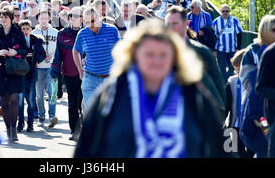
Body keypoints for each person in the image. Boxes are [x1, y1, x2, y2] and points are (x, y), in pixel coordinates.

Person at [74, 19, 227, 158]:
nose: (156, 60)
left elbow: (218, 148)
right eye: (149, 54)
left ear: (175, 57)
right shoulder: (113, 93)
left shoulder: (193, 94)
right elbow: (85, 148)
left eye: (163, 54)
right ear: (134, 55)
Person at [165, 6, 226, 117]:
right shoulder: (160, 53)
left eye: (175, 23)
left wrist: (220, 114)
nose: (171, 28)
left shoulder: (202, 52)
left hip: (196, 113)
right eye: (168, 24)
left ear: (186, 23)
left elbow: (217, 84)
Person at [239, 15, 275, 158]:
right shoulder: (252, 52)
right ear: (265, 31)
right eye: (273, 30)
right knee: (265, 143)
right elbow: (247, 82)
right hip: (259, 111)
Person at [0, 7, 28, 142]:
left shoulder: (17, 31)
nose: (3, 19)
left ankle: (14, 128)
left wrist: (15, 52)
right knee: (4, 102)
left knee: (14, 99)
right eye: (2, 17)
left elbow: (25, 50)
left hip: (14, 69)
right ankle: (8, 129)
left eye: (6, 17)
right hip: (0, 69)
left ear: (11, 18)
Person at [73, 7, 121, 112]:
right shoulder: (82, 33)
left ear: (99, 17)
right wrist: (80, 70)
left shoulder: (112, 30)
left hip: (109, 78)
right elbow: (76, 51)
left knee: (109, 111)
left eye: (93, 21)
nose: (91, 25)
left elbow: (121, 50)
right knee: (91, 111)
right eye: (87, 22)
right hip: (90, 77)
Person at [51, 7, 84, 141]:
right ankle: (74, 131)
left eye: (77, 16)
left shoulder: (87, 33)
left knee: (84, 104)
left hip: (87, 75)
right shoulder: (62, 34)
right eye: (72, 15)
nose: (74, 18)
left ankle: (86, 131)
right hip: (70, 74)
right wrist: (55, 70)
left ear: (82, 18)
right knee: (72, 104)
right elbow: (58, 55)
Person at [224, 49, 254, 158]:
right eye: (236, 71)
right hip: (236, 125)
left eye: (240, 70)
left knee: (252, 151)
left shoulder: (256, 81)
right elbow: (226, 104)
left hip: (251, 125)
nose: (238, 73)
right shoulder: (232, 82)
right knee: (237, 152)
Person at [31, 10, 59, 127]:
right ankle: (41, 116)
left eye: (46, 18)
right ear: (38, 19)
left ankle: (52, 116)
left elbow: (59, 48)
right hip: (38, 67)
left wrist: (54, 57)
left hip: (51, 67)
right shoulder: (33, 33)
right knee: (39, 94)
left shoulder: (56, 32)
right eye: (41, 18)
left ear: (49, 18)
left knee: (52, 92)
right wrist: (34, 61)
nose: (43, 20)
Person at [17, 20, 46, 132]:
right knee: (20, 100)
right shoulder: (17, 40)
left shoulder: (36, 40)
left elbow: (43, 54)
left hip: (31, 74)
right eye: (23, 29)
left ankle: (30, 123)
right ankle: (20, 123)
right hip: (20, 74)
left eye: (27, 29)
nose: (25, 31)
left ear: (31, 29)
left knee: (31, 100)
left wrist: (38, 60)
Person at [213, 4, 244, 83]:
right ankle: (224, 86)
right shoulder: (216, 21)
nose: (225, 13)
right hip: (221, 49)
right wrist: (214, 49)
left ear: (229, 11)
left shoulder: (234, 20)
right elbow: (213, 36)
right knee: (222, 68)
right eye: (223, 11)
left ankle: (230, 83)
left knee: (232, 68)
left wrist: (238, 48)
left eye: (227, 11)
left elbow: (239, 34)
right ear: (220, 11)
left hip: (232, 49)